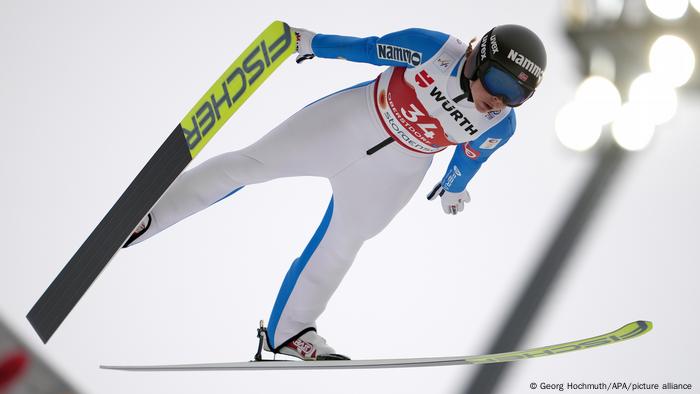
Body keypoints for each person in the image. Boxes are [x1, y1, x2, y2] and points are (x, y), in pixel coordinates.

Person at [123, 24, 547, 361]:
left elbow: (471, 156)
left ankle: (290, 332)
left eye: (516, 96)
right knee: (251, 165)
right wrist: (311, 42)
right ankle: (148, 216)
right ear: (477, 59)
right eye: (498, 83)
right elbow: (369, 49)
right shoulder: (434, 50)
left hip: (397, 170)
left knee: (344, 243)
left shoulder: (499, 125)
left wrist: (455, 188)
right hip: (349, 122)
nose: (498, 100)